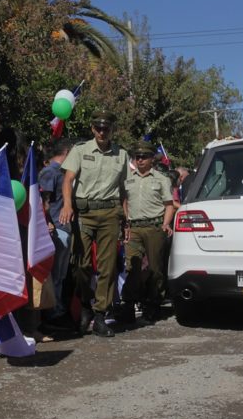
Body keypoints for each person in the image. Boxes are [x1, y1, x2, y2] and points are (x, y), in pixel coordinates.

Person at [58, 110, 129, 337]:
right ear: (92, 129)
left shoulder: (122, 154)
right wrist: (67, 205)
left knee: (108, 267)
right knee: (81, 266)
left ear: (112, 130)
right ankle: (86, 306)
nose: (101, 132)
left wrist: (127, 219)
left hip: (110, 213)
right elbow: (68, 179)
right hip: (84, 213)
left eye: (106, 128)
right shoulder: (80, 150)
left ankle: (100, 316)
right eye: (98, 128)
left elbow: (124, 190)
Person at [121, 140, 175, 324]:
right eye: (137, 157)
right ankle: (128, 303)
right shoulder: (128, 179)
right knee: (132, 267)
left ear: (152, 159)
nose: (140, 160)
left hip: (154, 227)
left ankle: (153, 304)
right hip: (134, 227)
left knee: (155, 269)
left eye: (144, 157)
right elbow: (125, 201)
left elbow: (169, 205)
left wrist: (165, 224)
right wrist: (126, 222)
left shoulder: (162, 179)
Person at [39, 138, 74, 328]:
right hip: (56, 228)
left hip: (66, 227)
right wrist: (48, 223)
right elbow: (45, 202)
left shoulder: (64, 173)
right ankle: (51, 313)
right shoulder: (49, 172)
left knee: (60, 274)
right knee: (53, 275)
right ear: (67, 152)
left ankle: (58, 309)